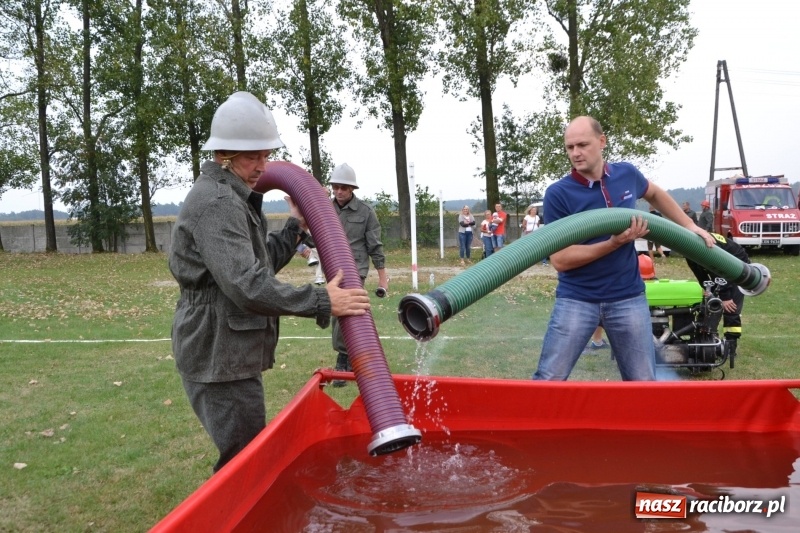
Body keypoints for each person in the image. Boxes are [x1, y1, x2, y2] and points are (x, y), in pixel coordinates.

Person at [169, 92, 371, 473]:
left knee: (247, 457)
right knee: (244, 465)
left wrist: (296, 226)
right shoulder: (218, 204)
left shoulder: (233, 196)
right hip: (218, 355)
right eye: (253, 156)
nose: (264, 164)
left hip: (228, 354)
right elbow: (246, 284)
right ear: (223, 155)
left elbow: (258, 262)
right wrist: (321, 301)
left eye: (266, 154)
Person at [532, 116, 714, 382]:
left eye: (582, 144)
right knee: (549, 379)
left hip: (627, 297)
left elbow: (653, 192)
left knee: (643, 382)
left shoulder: (626, 174)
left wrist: (689, 225)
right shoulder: (559, 193)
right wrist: (613, 243)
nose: (576, 153)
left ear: (602, 141)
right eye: (570, 147)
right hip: (577, 299)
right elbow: (561, 260)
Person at [328, 162, 389, 387]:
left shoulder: (366, 212)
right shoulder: (324, 208)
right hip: (332, 269)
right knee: (345, 312)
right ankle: (354, 357)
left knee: (346, 311)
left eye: (344, 187)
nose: (339, 192)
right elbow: (309, 234)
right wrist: (303, 250)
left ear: (352, 188)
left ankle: (344, 359)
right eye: (336, 187)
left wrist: (383, 279)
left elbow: (375, 246)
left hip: (356, 270)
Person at [685, 233, 750, 361]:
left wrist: (725, 297)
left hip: (738, 266)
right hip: (720, 269)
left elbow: (717, 269)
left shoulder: (703, 244)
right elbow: (698, 271)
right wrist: (707, 289)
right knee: (709, 306)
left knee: (731, 309)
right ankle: (708, 341)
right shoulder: (687, 247)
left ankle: (730, 348)